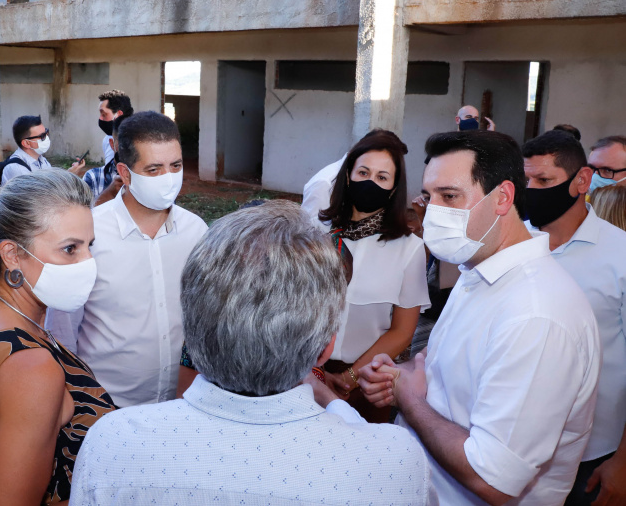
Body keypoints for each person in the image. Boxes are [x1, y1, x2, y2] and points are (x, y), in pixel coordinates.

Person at [71, 201, 432, 505]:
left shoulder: (114, 442)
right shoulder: (392, 460)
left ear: (192, 332)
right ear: (325, 349)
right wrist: (337, 405)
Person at [359, 130, 601, 506]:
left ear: (502, 197)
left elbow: (494, 479)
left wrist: (410, 402)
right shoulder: (477, 273)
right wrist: (400, 376)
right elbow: (459, 386)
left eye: (450, 196)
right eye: (429, 196)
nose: (432, 212)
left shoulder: (536, 314)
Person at [0, 169, 116, 505]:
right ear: (13, 255)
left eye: (90, 246)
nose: (89, 262)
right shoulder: (32, 369)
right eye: (70, 249)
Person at [46, 111, 208, 408]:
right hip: (106, 407)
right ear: (124, 172)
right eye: (154, 169)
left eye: (176, 166)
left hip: (182, 405)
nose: (169, 179)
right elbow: (63, 331)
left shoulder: (197, 233)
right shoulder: (87, 236)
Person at [521, 131, 626, 506]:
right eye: (527, 181)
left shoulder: (621, 254)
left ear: (581, 181)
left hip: (594, 452)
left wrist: (624, 462)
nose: (532, 190)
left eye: (545, 181)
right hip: (517, 445)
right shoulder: (515, 245)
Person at [316, 129, 430, 422]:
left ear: (393, 188)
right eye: (363, 172)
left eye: (382, 177)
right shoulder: (314, 235)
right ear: (347, 176)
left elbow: (403, 332)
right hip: (306, 377)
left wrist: (350, 378)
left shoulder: (409, 248)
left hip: (369, 384)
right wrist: (311, 373)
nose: (370, 182)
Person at [0, 115, 84, 185]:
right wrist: (68, 176)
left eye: (46, 132)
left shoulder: (42, 160)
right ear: (26, 143)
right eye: (42, 136)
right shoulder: (17, 169)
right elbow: (40, 197)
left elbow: (51, 184)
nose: (47, 138)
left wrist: (68, 174)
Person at [83, 112, 130, 205]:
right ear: (112, 144)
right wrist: (109, 193)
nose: (129, 148)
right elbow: (82, 217)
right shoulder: (93, 178)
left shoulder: (152, 178)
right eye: (123, 142)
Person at [97, 89, 133, 165]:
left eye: (104, 114)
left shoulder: (136, 139)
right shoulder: (107, 139)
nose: (100, 119)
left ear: (118, 114)